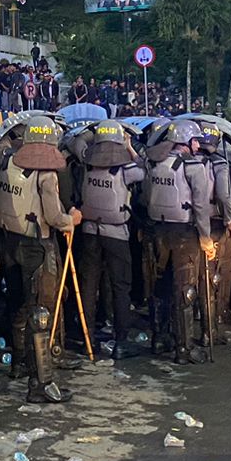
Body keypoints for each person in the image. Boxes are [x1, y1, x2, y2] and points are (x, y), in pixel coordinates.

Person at [0, 121, 79, 404]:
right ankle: (40, 383)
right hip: (36, 246)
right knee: (40, 313)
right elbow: (54, 217)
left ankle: (19, 362)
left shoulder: (8, 163)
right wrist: (72, 220)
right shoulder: (46, 175)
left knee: (18, 305)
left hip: (9, 241)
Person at [143, 118, 214, 364]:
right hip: (184, 233)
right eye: (195, 141)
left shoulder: (153, 163)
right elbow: (201, 206)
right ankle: (183, 348)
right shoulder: (193, 167)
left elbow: (145, 195)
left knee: (160, 287)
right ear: (187, 141)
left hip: (158, 231)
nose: (198, 146)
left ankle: (159, 338)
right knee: (186, 290)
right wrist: (205, 237)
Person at [73, 121, 145, 359]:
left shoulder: (87, 163)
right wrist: (129, 145)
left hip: (90, 230)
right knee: (120, 286)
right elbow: (146, 168)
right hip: (116, 233)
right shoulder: (126, 169)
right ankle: (121, 341)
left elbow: (78, 143)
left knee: (88, 284)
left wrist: (89, 133)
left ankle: (87, 338)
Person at [198, 127, 231, 344]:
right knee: (213, 276)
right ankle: (209, 329)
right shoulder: (219, 164)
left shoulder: (190, 160)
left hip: (192, 224)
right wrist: (229, 220)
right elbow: (224, 195)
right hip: (214, 223)